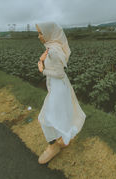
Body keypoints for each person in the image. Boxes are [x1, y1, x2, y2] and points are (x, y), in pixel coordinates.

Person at [35, 21, 86, 164]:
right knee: (61, 113)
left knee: (44, 118)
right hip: (60, 87)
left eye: (40, 33)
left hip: (58, 88)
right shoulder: (54, 46)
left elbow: (58, 73)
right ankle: (63, 138)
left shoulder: (53, 50)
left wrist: (41, 69)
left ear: (48, 33)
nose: (38, 36)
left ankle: (53, 147)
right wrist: (43, 59)